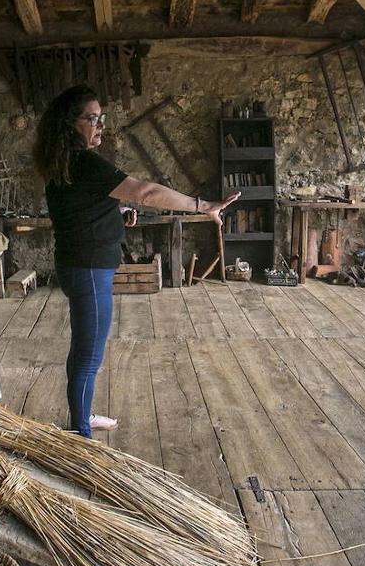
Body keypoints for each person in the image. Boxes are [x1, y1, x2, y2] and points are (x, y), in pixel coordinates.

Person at [33, 85, 240, 438]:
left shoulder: (66, 161)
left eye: (101, 118)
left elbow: (80, 206)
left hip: (78, 264)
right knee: (89, 356)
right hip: (88, 270)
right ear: (70, 123)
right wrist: (204, 206)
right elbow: (146, 191)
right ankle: (80, 435)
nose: (100, 126)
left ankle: (82, 416)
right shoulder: (85, 162)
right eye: (92, 118)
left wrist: (116, 211)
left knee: (83, 350)